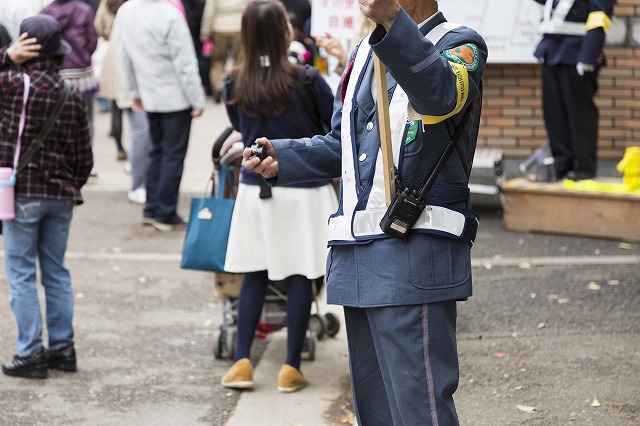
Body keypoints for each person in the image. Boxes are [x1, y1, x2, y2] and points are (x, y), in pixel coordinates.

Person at [245, 0, 487, 423]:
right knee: (374, 413)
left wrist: (392, 21)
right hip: (357, 259)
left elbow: (439, 97)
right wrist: (283, 158)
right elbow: (343, 145)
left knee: (419, 411)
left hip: (415, 255)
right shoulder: (362, 53)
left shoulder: (461, 45)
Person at [219, 0, 337, 393]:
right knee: (302, 272)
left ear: (247, 35)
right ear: (284, 32)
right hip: (305, 189)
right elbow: (333, 122)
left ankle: (241, 363)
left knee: (255, 271)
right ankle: (290, 368)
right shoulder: (304, 77)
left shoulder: (234, 82)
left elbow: (238, 127)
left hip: (257, 191)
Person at [0, 15, 93, 379]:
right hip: (61, 195)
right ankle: (62, 350)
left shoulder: (11, 85)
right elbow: (84, 157)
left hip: (20, 193)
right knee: (56, 271)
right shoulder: (72, 94)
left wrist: (7, 56)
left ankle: (30, 354)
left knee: (21, 273)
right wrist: (70, 186)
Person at [115, 0, 205, 231]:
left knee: (156, 152)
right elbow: (184, 63)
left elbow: (124, 56)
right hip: (175, 96)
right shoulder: (170, 15)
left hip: (149, 92)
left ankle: (152, 208)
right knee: (172, 155)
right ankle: (165, 212)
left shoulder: (126, 11)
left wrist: (134, 91)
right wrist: (196, 98)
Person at [532, 0, 615, 180]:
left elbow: (599, 17)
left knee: (579, 115)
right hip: (552, 51)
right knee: (554, 114)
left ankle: (583, 168)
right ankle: (562, 164)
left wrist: (588, 55)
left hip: (577, 53)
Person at [40, 0, 99, 176]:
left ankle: (61, 160)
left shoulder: (45, 11)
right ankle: (87, 162)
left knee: (54, 118)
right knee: (87, 119)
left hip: (57, 71)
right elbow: (92, 40)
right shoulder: (84, 10)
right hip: (82, 72)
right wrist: (84, 55)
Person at [94, 0, 127, 161]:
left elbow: (98, 26)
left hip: (113, 54)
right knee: (137, 113)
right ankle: (138, 151)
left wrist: (109, 34)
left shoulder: (106, 3)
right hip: (131, 51)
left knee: (116, 108)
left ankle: (120, 148)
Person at [199, 0, 248, 103]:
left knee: (218, 61)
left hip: (219, 28)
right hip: (239, 26)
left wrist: (205, 31)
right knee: (240, 61)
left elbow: (209, 11)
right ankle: (238, 87)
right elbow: (250, 6)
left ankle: (218, 85)